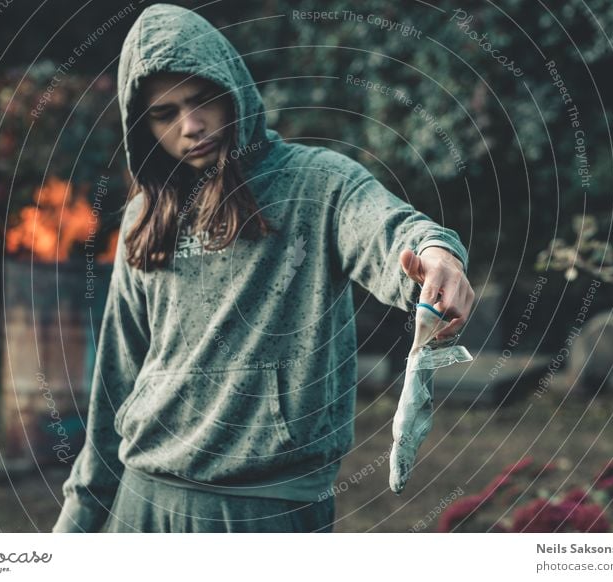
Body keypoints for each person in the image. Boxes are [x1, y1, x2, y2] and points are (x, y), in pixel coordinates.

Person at [52, 3, 473, 533]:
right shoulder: (144, 216)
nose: (191, 125)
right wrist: (80, 521)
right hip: (144, 502)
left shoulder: (318, 184)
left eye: (203, 98)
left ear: (232, 87)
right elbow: (117, 375)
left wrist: (437, 254)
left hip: (269, 510)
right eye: (165, 112)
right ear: (143, 125)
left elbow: (389, 229)